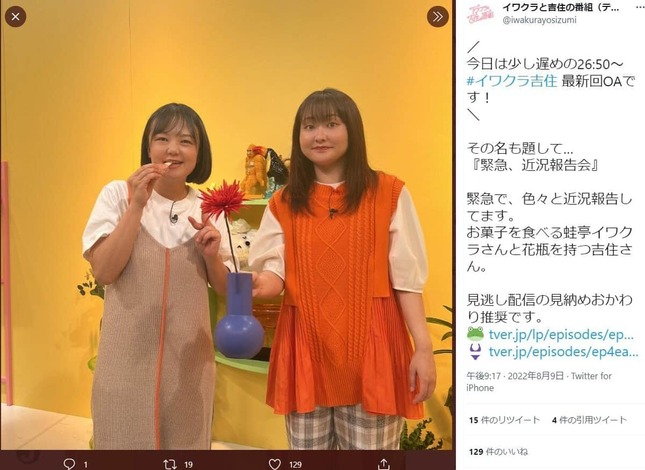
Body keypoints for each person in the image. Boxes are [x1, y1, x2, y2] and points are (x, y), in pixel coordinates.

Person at [249, 88, 436, 450]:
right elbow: (274, 274)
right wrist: (256, 282)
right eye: (309, 126)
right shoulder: (283, 202)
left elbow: (407, 279)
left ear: (352, 130)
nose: (319, 135)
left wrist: (423, 348)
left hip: (374, 355)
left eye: (331, 124)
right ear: (298, 136)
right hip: (305, 353)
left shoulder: (388, 192)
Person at [82, 103, 234, 449]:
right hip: (124, 360)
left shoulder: (209, 207)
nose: (173, 150)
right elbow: (104, 271)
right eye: (162, 139)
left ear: (199, 152)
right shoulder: (117, 195)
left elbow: (226, 289)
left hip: (188, 369)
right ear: (148, 147)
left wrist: (211, 255)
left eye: (186, 141)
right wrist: (137, 204)